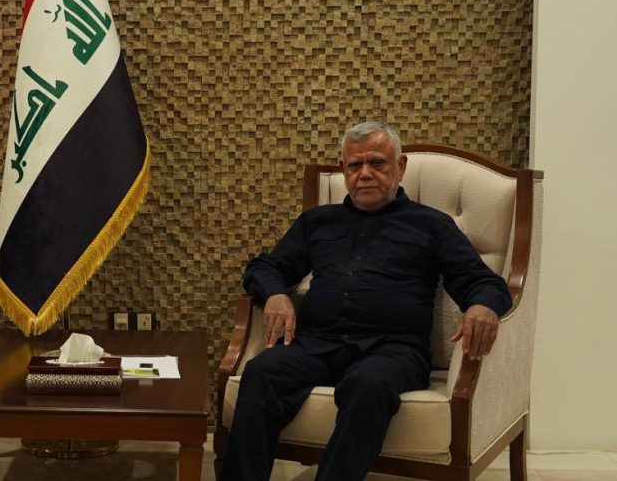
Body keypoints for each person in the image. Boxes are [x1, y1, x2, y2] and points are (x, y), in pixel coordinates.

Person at [219, 121, 511, 481]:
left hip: (393, 350)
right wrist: (276, 294)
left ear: (400, 167)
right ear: (343, 170)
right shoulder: (317, 223)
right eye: (355, 165)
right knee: (262, 372)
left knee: (367, 386)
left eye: (377, 163)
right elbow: (264, 267)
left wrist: (482, 306)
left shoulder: (432, 226)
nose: (365, 174)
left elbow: (482, 281)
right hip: (316, 344)